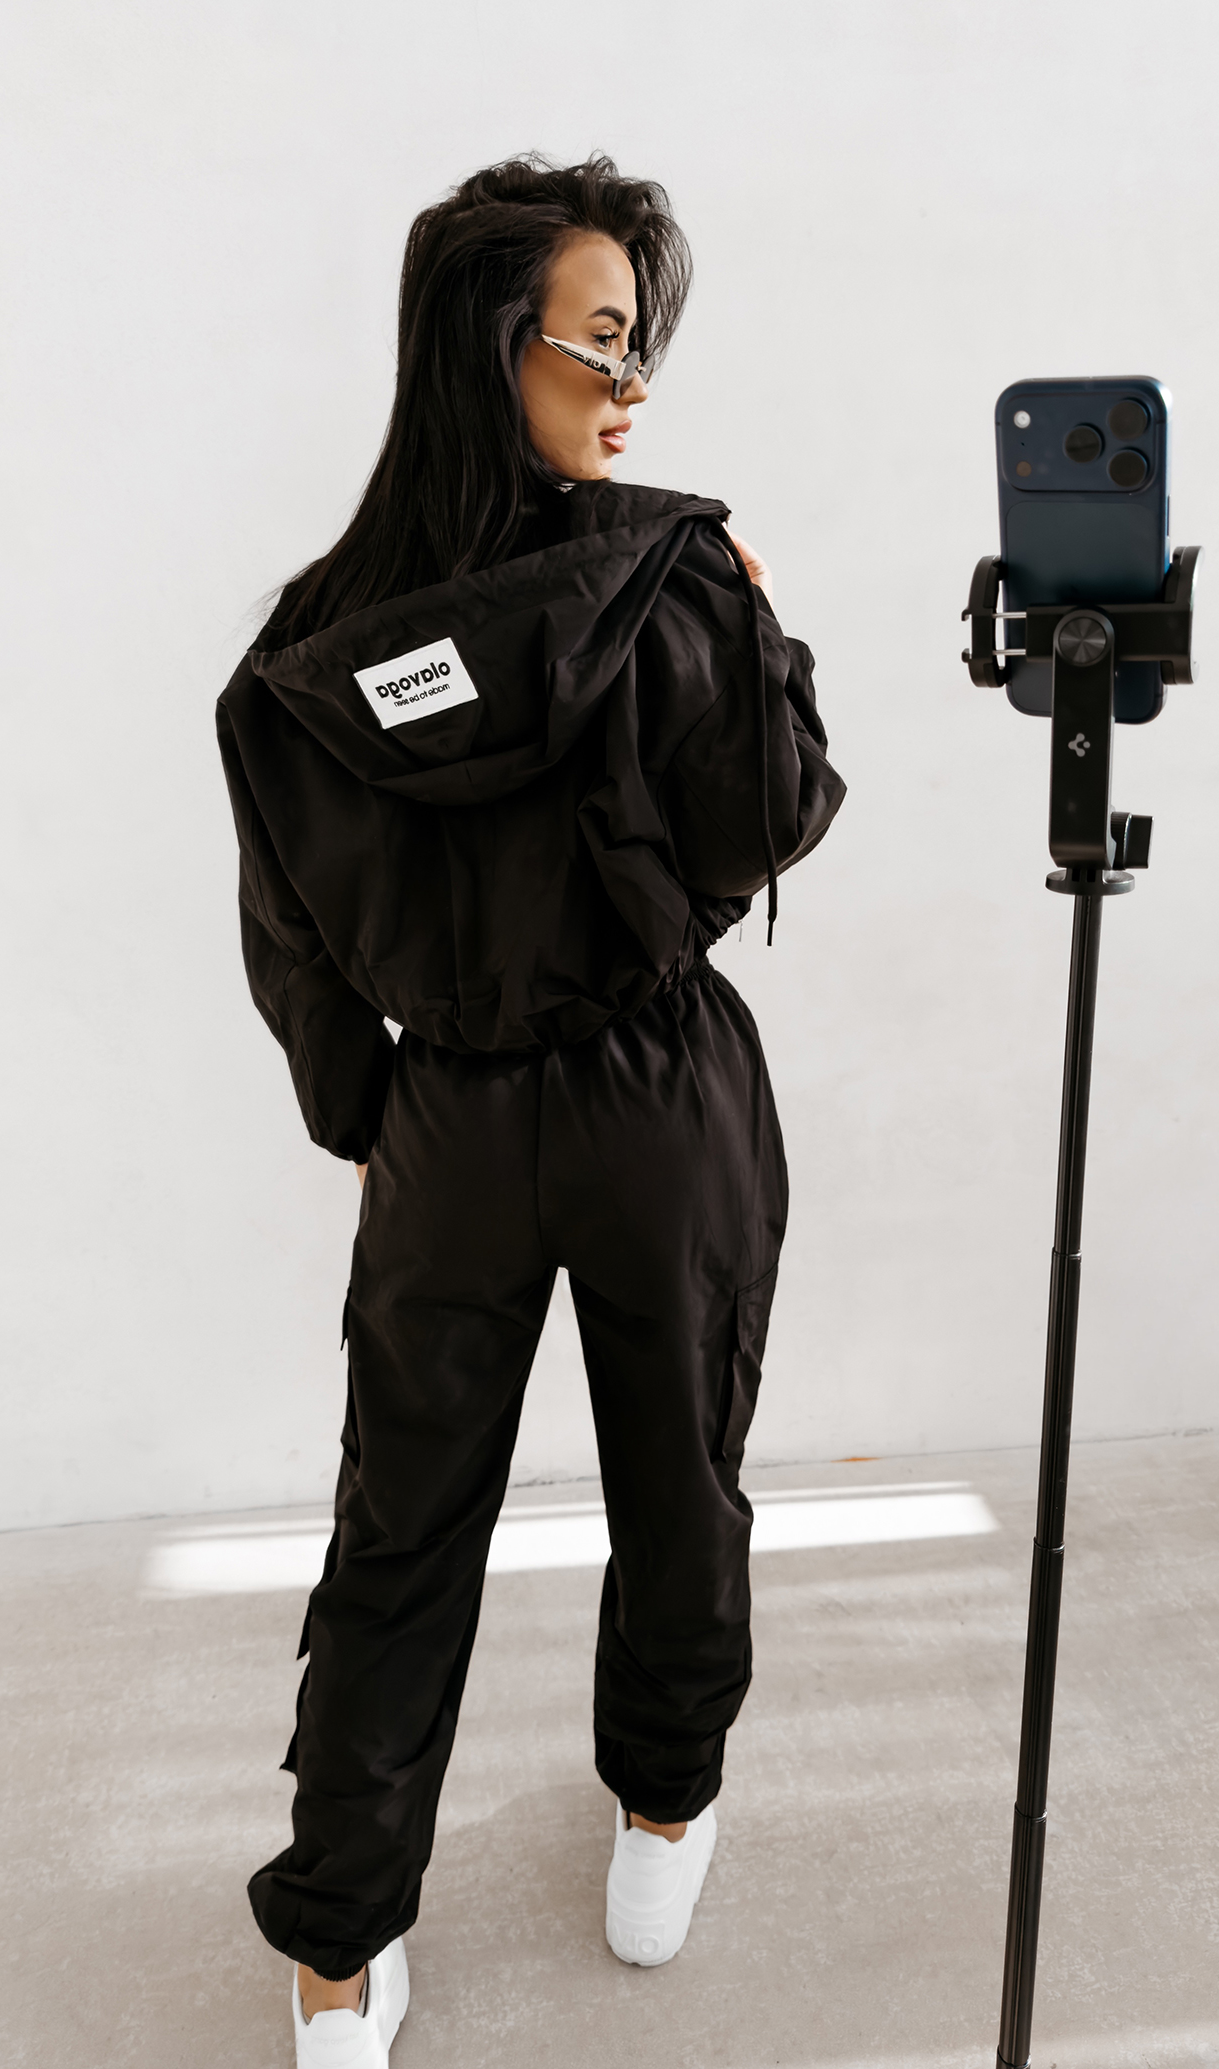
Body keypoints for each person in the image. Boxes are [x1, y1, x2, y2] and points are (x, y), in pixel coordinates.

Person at [216, 153, 845, 2067]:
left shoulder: (310, 644)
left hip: (452, 1128)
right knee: (680, 1473)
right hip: (662, 1097)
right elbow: (769, 823)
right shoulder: (669, 574)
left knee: (401, 1521)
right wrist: (764, 638)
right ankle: (664, 1808)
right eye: (599, 340)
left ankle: (341, 1948)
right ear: (493, 346)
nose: (631, 383)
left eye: (637, 344)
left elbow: (291, 932)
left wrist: (379, 1119)